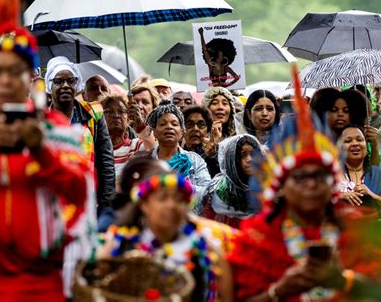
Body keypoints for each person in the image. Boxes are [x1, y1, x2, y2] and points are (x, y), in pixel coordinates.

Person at [227, 66, 381, 301]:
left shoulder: (358, 231)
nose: (311, 185)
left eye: (319, 176)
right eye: (300, 177)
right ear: (281, 186)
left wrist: (343, 281)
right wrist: (281, 290)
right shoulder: (257, 239)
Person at [0, 0, 92, 299]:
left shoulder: (55, 129)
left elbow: (80, 192)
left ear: (30, 77)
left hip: (43, 282)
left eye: (15, 71)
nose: (5, 81)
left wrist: (41, 151)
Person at [98, 167, 234, 301]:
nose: (172, 205)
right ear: (144, 205)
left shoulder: (207, 250)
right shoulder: (118, 242)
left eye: (179, 199)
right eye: (163, 198)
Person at [46, 56, 115, 215]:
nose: (65, 86)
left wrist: (106, 204)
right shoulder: (42, 119)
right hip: (53, 199)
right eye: (58, 81)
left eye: (71, 81)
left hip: (88, 197)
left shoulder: (93, 115)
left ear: (77, 86)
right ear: (50, 86)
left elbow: (105, 161)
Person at [147, 100, 211, 201]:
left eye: (174, 124)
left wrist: (177, 186)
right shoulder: (145, 161)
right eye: (163, 124)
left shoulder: (195, 160)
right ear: (154, 132)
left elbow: (207, 192)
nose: (169, 127)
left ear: (181, 132)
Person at [195, 134, 262, 228]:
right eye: (243, 155)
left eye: (253, 154)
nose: (250, 160)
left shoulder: (265, 189)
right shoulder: (216, 192)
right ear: (232, 160)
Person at [338, 125, 381, 214]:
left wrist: (372, 195)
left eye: (360, 140)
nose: (355, 143)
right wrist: (338, 197)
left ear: (366, 147)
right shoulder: (330, 175)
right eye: (348, 141)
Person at [309, 88, 379, 165]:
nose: (340, 114)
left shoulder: (358, 139)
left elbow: (373, 173)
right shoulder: (316, 140)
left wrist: (374, 146)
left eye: (346, 110)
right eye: (334, 110)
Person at [100, 94, 154, 183]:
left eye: (121, 111)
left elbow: (154, 148)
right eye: (109, 112)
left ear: (128, 118)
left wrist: (141, 124)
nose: (116, 115)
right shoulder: (94, 149)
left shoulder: (136, 145)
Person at [182, 105, 222, 177]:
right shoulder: (177, 155)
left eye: (201, 124)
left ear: (207, 130)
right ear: (182, 129)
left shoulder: (218, 153)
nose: (195, 129)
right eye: (189, 124)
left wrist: (212, 157)